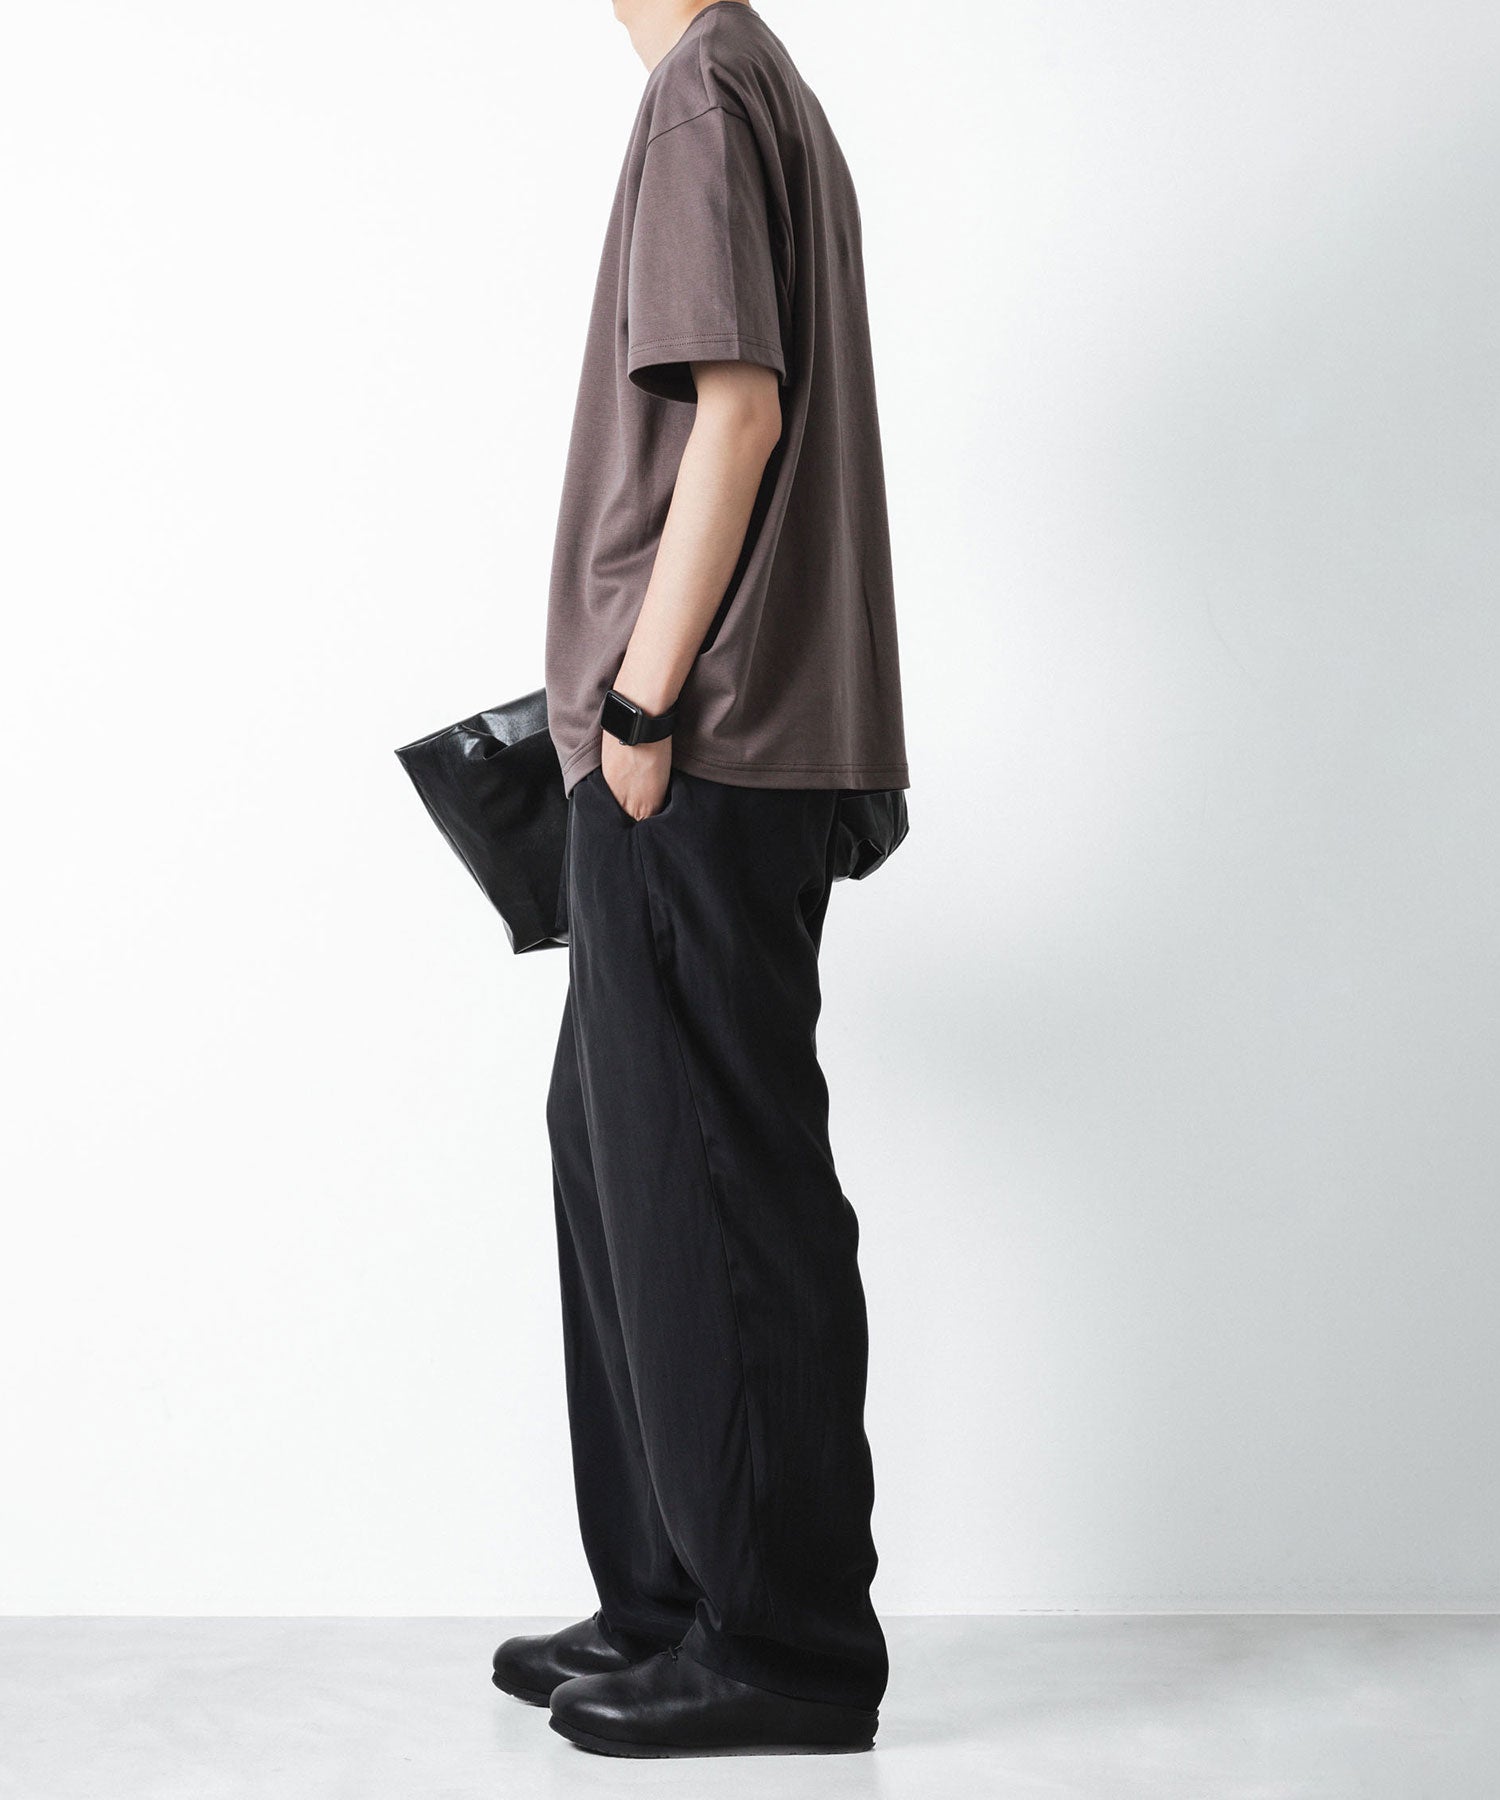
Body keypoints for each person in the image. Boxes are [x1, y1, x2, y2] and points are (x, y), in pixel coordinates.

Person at [493, 0, 910, 1758]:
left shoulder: (703, 93)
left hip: (699, 740)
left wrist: (644, 701)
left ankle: (785, 1644)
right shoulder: (754, 85)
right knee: (621, 1149)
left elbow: (736, 414)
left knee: (714, 1171)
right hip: (720, 742)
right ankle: (670, 1595)